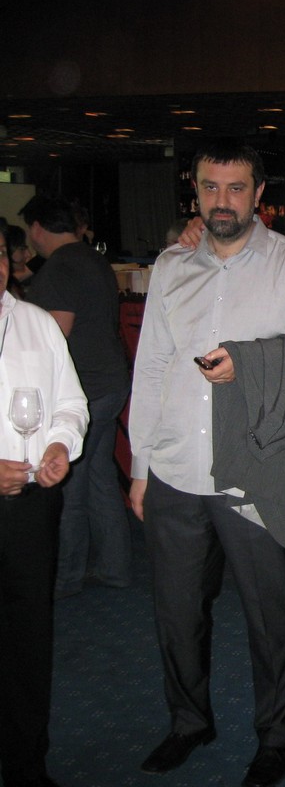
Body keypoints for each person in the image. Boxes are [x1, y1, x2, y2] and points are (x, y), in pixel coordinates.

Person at [128, 138, 285, 787]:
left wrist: (251, 366)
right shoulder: (172, 265)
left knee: (271, 614)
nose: (221, 200)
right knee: (177, 612)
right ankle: (188, 722)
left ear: (259, 195)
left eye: (235, 188)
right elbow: (151, 366)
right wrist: (140, 466)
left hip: (255, 468)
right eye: (209, 187)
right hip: (175, 468)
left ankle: (277, 736)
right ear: (194, 192)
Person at [0, 225, 89, 787]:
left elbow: (71, 403)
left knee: (27, 641)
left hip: (29, 509)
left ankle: (26, 763)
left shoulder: (35, 322)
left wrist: (59, 444)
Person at [19, 195, 131, 599]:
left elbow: (53, 339)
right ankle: (115, 568)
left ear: (36, 228)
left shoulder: (59, 269)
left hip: (84, 390)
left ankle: (66, 577)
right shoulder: (91, 258)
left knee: (69, 485)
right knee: (99, 479)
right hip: (110, 381)